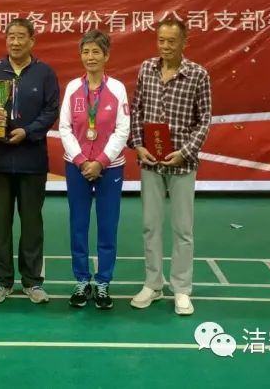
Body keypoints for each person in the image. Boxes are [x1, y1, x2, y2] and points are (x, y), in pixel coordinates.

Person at [128, 19, 212, 316]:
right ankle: (153, 284)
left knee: (182, 229)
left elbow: (204, 120)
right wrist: (138, 145)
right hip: (150, 162)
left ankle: (181, 289)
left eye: (171, 41)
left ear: (184, 42)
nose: (165, 46)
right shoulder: (146, 69)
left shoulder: (198, 74)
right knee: (150, 226)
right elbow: (136, 110)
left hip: (182, 164)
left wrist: (185, 152)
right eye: (161, 40)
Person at [0, 18, 60, 305]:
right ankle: (1, 282)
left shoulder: (45, 73)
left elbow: (51, 111)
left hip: (32, 160)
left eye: (21, 36)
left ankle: (33, 281)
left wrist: (29, 131)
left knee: (32, 224)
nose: (15, 41)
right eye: (11, 36)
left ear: (32, 40)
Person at [58, 30, 130, 310]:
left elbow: (122, 129)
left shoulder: (118, 89)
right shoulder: (73, 88)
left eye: (96, 52)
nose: (90, 57)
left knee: (107, 226)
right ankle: (81, 280)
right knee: (78, 225)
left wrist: (101, 160)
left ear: (106, 56)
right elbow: (64, 127)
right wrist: (80, 160)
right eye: (86, 52)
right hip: (76, 167)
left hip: (109, 168)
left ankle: (103, 282)